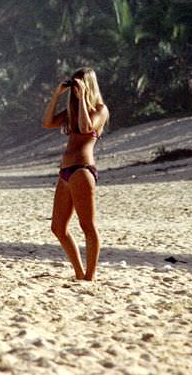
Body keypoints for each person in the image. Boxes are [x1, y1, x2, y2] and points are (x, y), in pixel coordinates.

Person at [42, 67, 109, 281]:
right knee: (58, 227)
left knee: (87, 225)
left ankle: (90, 275)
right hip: (65, 172)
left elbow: (84, 127)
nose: (76, 88)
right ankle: (79, 272)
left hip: (82, 170)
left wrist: (82, 100)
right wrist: (57, 95)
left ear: (88, 85)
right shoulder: (72, 109)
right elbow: (47, 123)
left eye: (80, 83)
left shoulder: (100, 109)